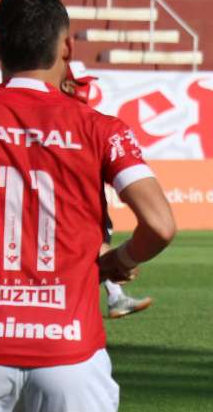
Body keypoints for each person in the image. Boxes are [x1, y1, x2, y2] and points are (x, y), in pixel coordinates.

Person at [0, 0, 175, 412]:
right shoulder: (100, 127)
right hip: (69, 348)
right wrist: (114, 263)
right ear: (67, 48)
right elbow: (160, 224)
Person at [62, 63, 153, 318]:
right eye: (81, 84)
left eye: (87, 83)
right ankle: (111, 298)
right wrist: (123, 260)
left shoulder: (93, 123)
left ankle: (114, 297)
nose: (85, 89)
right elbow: (161, 226)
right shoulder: (93, 125)